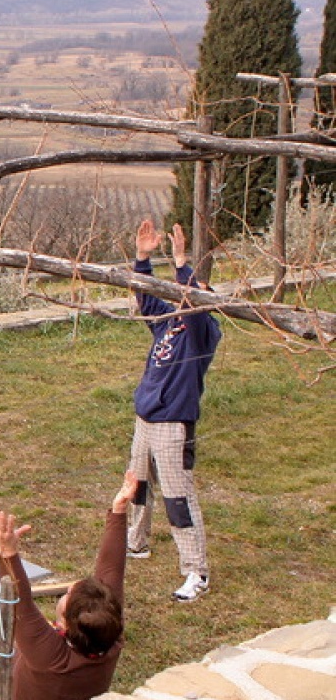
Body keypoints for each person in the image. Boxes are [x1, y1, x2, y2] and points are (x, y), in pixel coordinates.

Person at [0, 470, 136, 700]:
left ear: (66, 624)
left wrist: (7, 553)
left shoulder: (49, 656)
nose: (68, 589)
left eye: (68, 595)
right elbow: (112, 571)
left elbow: (20, 601)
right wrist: (118, 511)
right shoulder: (109, 635)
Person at [125, 219, 222, 602]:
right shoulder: (170, 323)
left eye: (192, 293)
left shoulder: (203, 330)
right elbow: (146, 299)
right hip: (145, 416)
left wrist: (183, 263)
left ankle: (196, 572)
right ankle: (137, 543)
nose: (185, 298)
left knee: (178, 498)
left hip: (172, 423)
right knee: (137, 485)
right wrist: (143, 259)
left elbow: (197, 304)